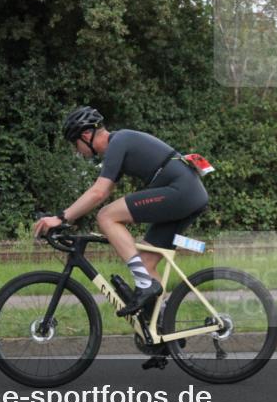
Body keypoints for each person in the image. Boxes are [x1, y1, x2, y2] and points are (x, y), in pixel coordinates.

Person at [33, 107, 209, 317]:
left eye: (75, 143)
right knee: (146, 263)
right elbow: (102, 191)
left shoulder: (118, 142)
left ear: (86, 135)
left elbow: (99, 193)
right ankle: (163, 331)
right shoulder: (119, 145)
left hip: (182, 192)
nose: (76, 151)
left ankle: (144, 285)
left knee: (106, 216)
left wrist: (61, 218)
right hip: (187, 194)